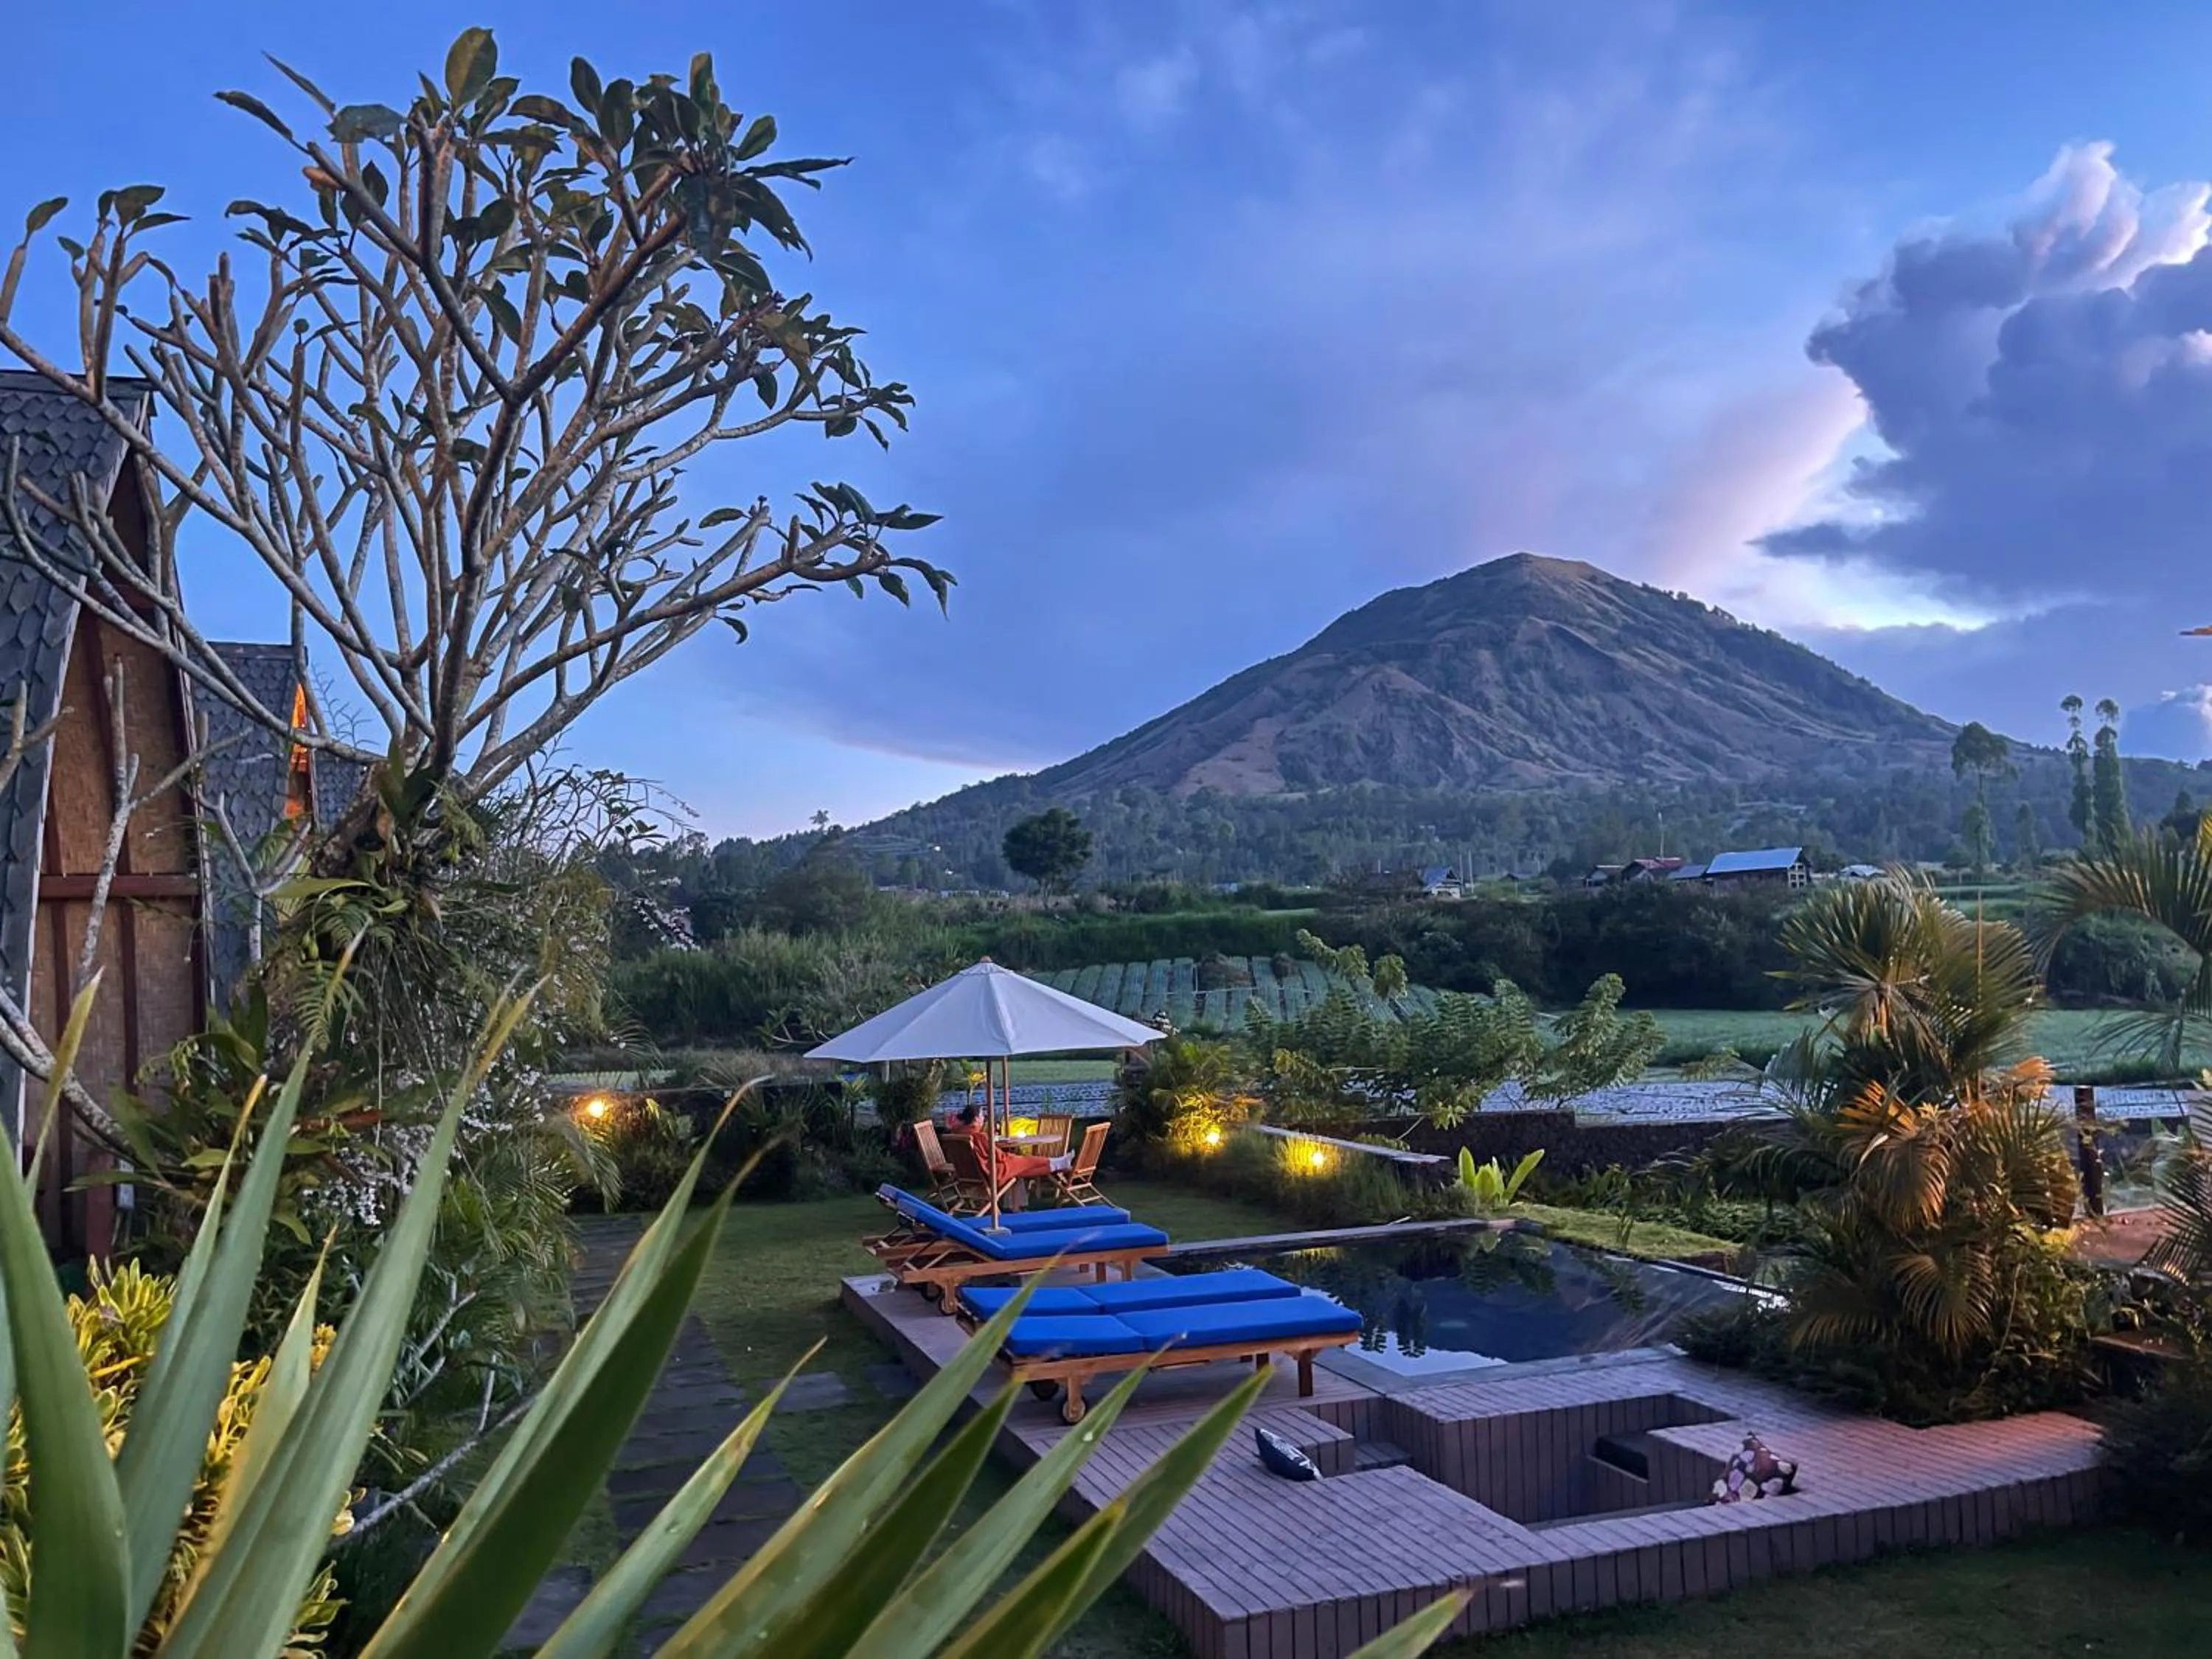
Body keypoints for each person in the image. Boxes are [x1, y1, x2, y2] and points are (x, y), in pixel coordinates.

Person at [956, 1102, 1071, 1180]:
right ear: (976, 1119)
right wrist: (1010, 1155)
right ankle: (1057, 1163)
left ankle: (1058, 1164)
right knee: (1025, 1161)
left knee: (1021, 1171)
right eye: (982, 1116)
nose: (984, 1119)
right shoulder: (979, 1136)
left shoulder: (959, 1135)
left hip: (971, 1174)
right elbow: (1000, 1157)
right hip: (992, 1173)